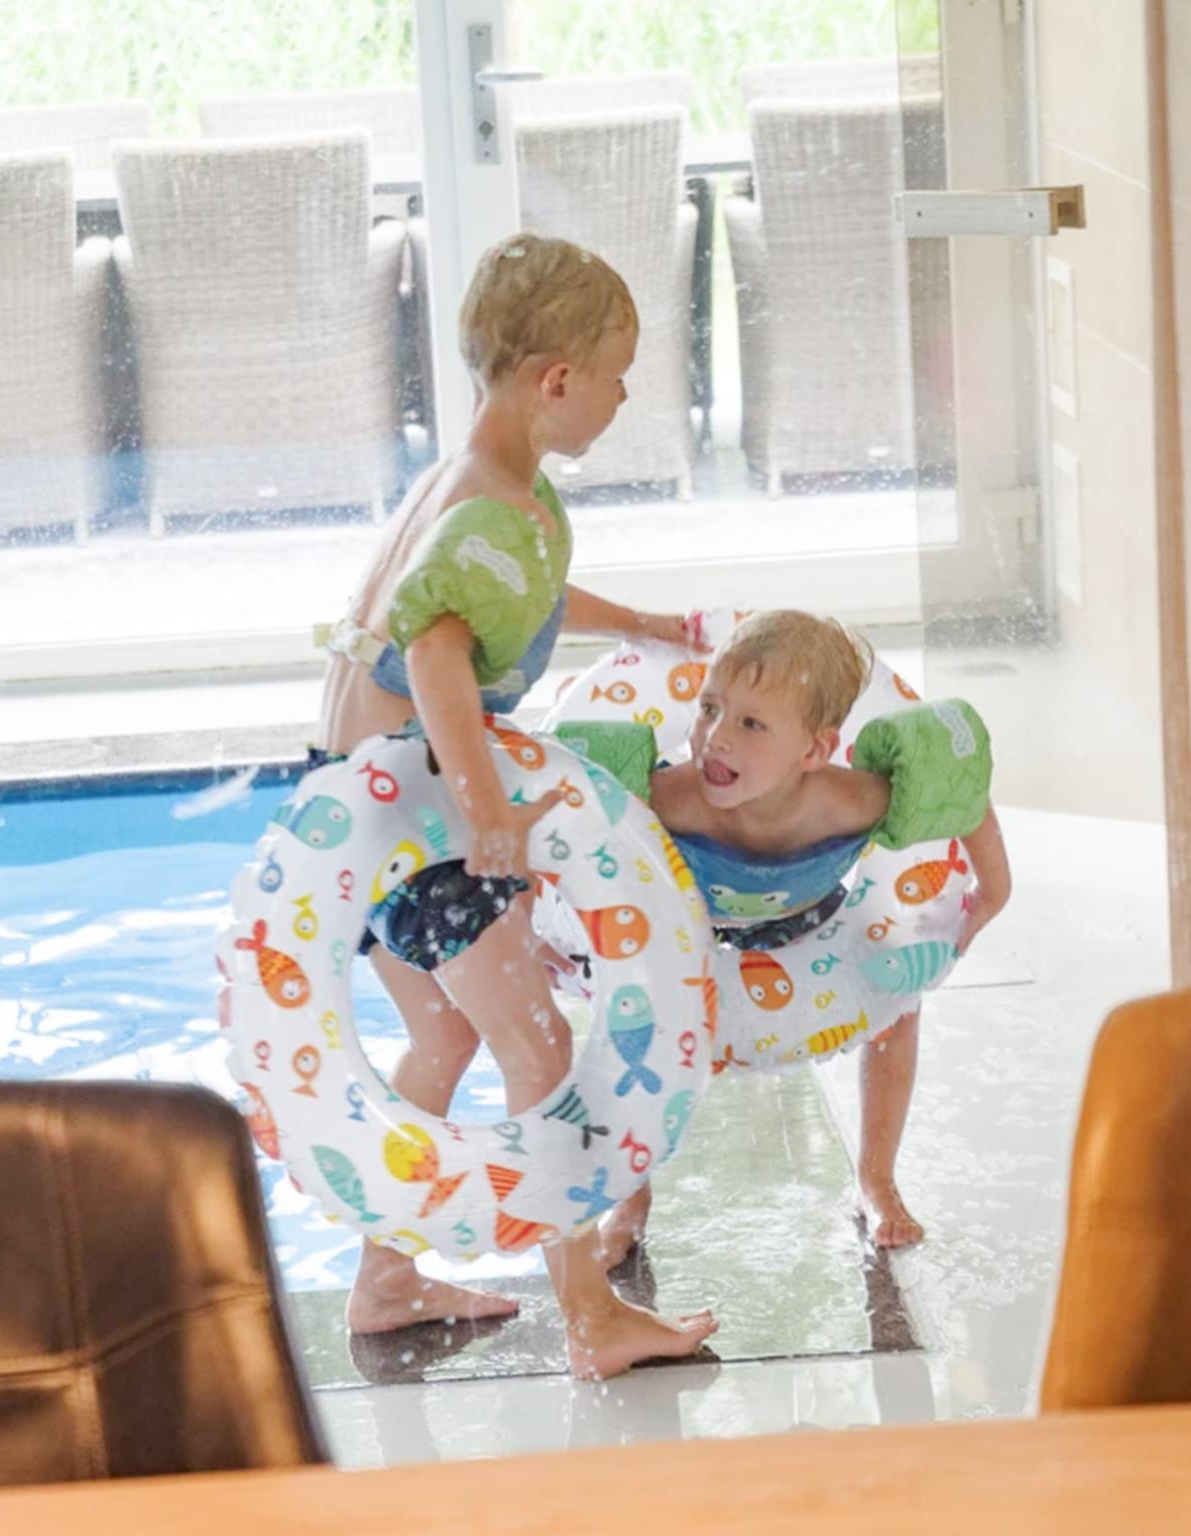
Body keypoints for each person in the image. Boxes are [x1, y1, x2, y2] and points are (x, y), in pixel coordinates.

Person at [312, 231, 715, 1379]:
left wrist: (636, 624)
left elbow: (517, 601)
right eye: (616, 372)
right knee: (539, 1046)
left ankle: (385, 1283)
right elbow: (439, 658)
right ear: (554, 381)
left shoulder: (484, 488)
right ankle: (591, 1316)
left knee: (442, 1032)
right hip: (419, 822)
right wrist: (487, 813)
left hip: (358, 808)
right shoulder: (490, 511)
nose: (625, 392)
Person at [632, 610, 1012, 1251]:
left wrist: (992, 893)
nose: (715, 738)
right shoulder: (668, 795)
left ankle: (876, 1178)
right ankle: (629, 1197)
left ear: (815, 750)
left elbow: (962, 796)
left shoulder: (849, 799)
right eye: (709, 708)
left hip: (809, 916)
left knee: (898, 1007)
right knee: (636, 1020)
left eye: (751, 723)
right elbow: (579, 823)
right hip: (690, 920)